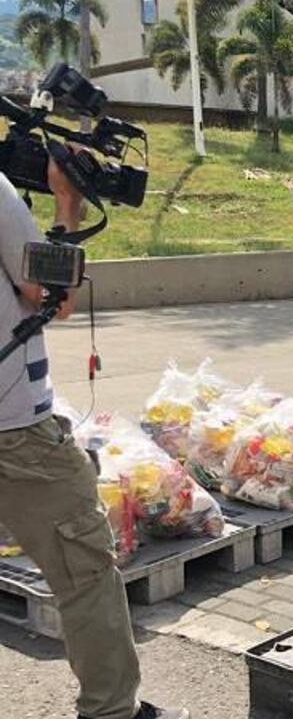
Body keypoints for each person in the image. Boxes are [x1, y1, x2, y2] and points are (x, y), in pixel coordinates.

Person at [0, 162, 186, 718]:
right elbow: (49, 293)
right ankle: (111, 712)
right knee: (84, 572)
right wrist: (66, 206)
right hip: (15, 433)